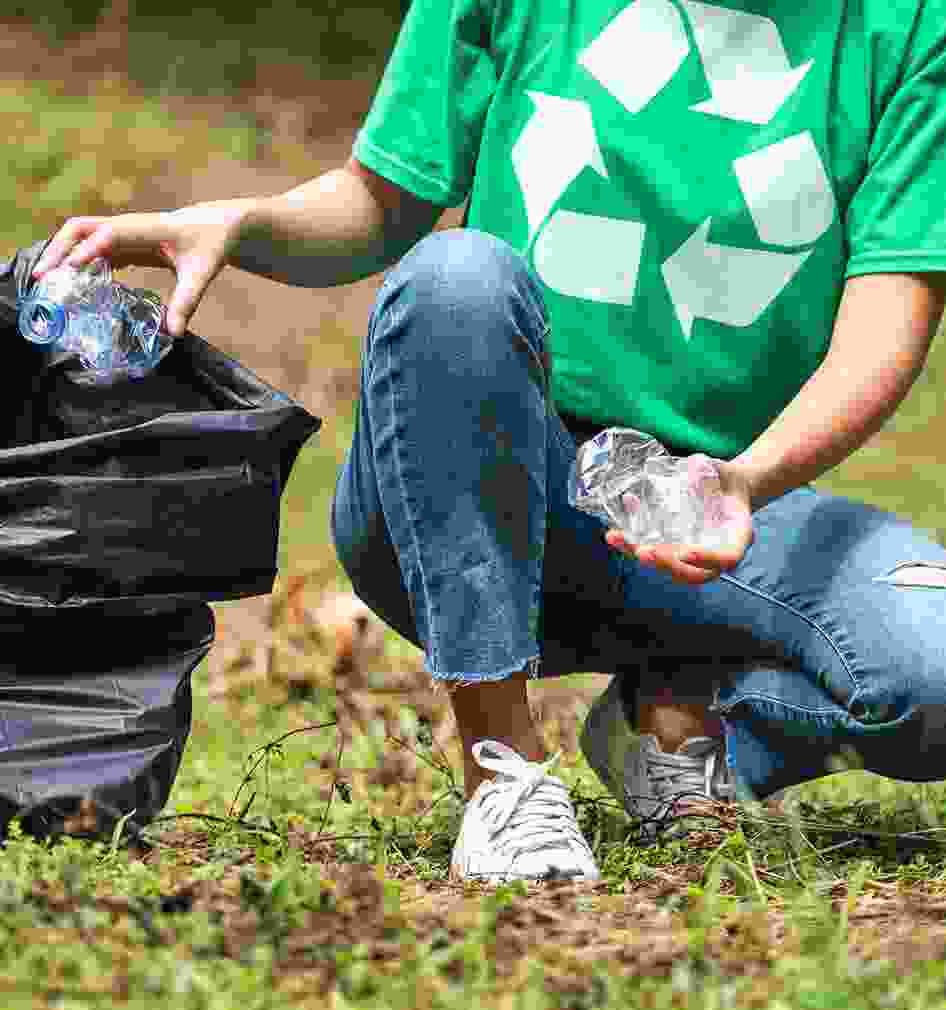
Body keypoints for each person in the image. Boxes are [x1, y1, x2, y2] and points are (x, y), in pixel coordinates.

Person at [35, 0, 946, 882]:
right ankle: (502, 769)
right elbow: (374, 206)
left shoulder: (911, 24)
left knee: (932, 672)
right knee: (455, 276)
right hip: (471, 486)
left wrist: (747, 480)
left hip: (708, 516)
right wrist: (239, 225)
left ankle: (681, 723)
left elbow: (887, 322)